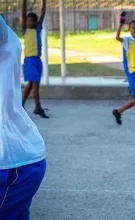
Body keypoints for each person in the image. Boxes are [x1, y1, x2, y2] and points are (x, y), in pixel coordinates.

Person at [0, 15, 46, 219]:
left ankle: (36, 105)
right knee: (32, 85)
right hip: (20, 158)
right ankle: (34, 105)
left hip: (12, 163)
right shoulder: (17, 33)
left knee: (34, 85)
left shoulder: (7, 34)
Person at [21, 0, 49, 118]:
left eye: (30, 20)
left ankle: (20, 104)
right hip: (29, 60)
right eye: (26, 20)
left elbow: (42, 13)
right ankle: (38, 107)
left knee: (31, 84)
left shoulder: (38, 28)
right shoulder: (25, 29)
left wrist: (44, 1)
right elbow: (23, 12)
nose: (27, 22)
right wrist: (24, 2)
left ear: (35, 22)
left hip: (37, 60)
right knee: (35, 84)